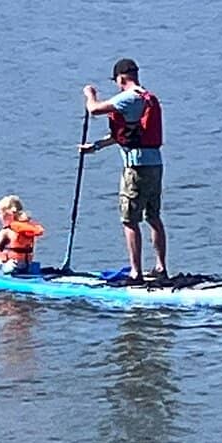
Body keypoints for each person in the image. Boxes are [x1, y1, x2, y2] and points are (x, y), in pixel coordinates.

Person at [80, 58, 168, 285]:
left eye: (117, 81)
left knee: (129, 220)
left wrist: (89, 94)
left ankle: (136, 273)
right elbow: (126, 134)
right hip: (155, 165)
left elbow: (94, 109)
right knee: (153, 216)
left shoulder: (128, 97)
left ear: (121, 78)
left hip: (136, 168)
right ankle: (160, 267)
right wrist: (96, 146)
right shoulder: (147, 98)